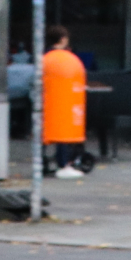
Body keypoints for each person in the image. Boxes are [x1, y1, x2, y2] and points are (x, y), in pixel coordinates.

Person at [41, 24, 89, 179]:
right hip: (64, 100)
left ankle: (41, 162)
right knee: (63, 131)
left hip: (45, 102)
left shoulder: (45, 58)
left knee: (45, 131)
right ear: (63, 39)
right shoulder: (68, 60)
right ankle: (64, 163)